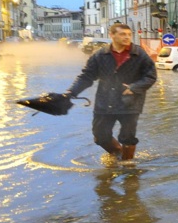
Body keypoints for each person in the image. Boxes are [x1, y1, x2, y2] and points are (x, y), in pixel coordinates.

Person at [65, 22, 157, 162]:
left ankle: (127, 166)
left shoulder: (139, 54)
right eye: (122, 34)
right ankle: (117, 153)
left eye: (129, 34)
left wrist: (133, 88)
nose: (127, 38)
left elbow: (151, 76)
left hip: (130, 103)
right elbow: (86, 76)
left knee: (128, 137)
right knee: (100, 135)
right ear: (112, 35)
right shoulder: (100, 55)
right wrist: (71, 92)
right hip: (105, 102)